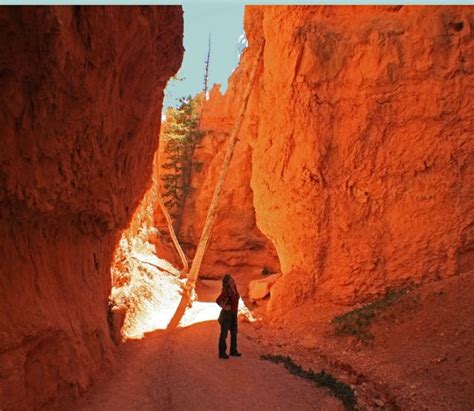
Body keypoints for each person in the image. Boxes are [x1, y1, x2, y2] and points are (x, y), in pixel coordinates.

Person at [216, 274, 242, 359]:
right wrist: (224, 307)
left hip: (234, 314)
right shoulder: (226, 291)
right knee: (224, 334)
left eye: (232, 278)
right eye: (231, 279)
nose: (233, 279)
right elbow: (218, 300)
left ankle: (233, 351)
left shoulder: (234, 287)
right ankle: (222, 353)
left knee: (234, 333)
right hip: (226, 315)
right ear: (228, 282)